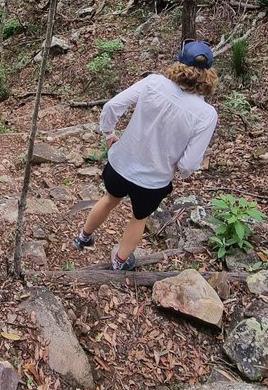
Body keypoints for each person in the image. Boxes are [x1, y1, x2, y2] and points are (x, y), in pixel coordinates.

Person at [73, 40, 219, 271]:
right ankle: (120, 262)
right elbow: (189, 164)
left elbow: (112, 105)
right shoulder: (206, 114)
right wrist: (177, 168)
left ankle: (83, 237)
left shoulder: (154, 83)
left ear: (179, 62)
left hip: (121, 163)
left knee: (109, 199)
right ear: (209, 73)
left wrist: (109, 134)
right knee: (138, 218)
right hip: (154, 180)